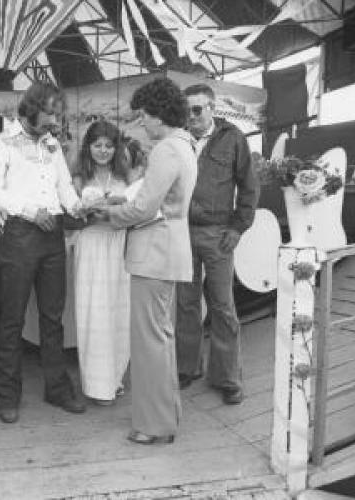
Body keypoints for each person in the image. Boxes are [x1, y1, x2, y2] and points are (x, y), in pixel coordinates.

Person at [95, 77, 197, 444]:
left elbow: (145, 207)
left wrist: (107, 213)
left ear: (159, 113)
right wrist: (120, 205)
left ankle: (153, 426)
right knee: (161, 338)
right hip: (167, 250)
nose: (143, 123)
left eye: (145, 116)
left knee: (149, 341)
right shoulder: (185, 145)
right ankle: (165, 418)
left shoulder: (166, 149)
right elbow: (158, 204)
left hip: (153, 253)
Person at [0, 82, 86, 424]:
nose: (55, 119)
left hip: (53, 234)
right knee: (12, 318)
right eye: (50, 112)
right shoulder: (2, 143)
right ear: (31, 108)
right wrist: (27, 209)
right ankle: (6, 395)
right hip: (20, 235)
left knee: (52, 317)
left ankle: (57, 388)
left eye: (58, 113)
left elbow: (64, 188)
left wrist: (79, 207)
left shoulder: (52, 145)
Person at [175, 83, 259, 405]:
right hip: (182, 232)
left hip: (218, 234)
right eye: (187, 110)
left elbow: (249, 187)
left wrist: (239, 227)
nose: (191, 116)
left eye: (197, 109)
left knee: (223, 306)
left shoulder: (233, 138)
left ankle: (227, 377)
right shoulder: (178, 139)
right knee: (186, 303)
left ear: (212, 108)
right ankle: (187, 367)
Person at [71, 120, 131, 406]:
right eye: (98, 145)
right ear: (88, 147)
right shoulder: (79, 177)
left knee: (119, 310)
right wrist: (87, 210)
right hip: (92, 244)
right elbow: (72, 214)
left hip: (119, 245)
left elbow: (135, 207)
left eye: (109, 145)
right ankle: (96, 384)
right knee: (94, 313)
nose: (103, 151)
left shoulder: (126, 176)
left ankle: (115, 377)